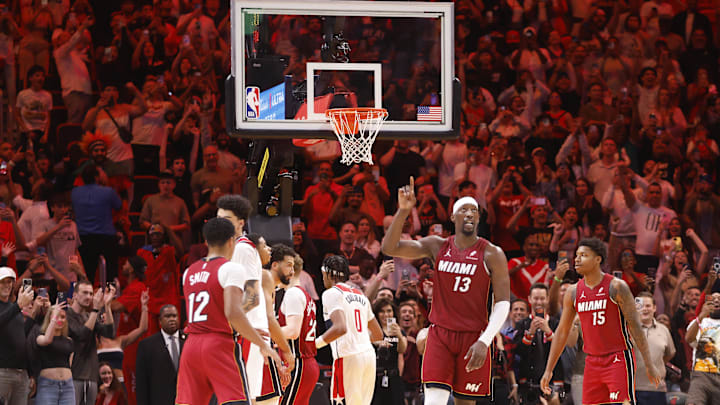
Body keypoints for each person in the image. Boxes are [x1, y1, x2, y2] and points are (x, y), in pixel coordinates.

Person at [381, 177, 511, 405]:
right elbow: (389, 247)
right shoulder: (437, 246)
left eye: (474, 210)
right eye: (464, 210)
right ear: (453, 216)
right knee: (433, 401)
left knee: (465, 402)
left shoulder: (492, 253)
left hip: (474, 337)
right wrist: (403, 211)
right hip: (440, 334)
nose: (469, 214)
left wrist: (485, 340)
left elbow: (503, 302)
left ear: (479, 217)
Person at [540, 238, 661, 404]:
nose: (577, 259)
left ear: (598, 259)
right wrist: (549, 370)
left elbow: (635, 327)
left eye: (584, 255)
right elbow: (561, 331)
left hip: (618, 358)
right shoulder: (573, 292)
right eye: (576, 255)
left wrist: (649, 364)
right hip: (591, 362)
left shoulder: (617, 287)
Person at [175, 218, 280, 405]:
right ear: (232, 240)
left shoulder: (189, 272)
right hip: (218, 344)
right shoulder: (231, 269)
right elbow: (233, 312)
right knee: (237, 401)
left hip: (191, 346)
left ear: (205, 241)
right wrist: (261, 343)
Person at [216, 194, 294, 402]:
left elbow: (250, 298)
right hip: (246, 332)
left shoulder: (243, 248)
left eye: (227, 218)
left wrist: (230, 325)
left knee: (243, 397)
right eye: (218, 218)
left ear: (240, 223)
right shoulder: (232, 250)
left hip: (247, 333)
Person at [317, 255, 383, 405]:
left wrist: (315, 344)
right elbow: (378, 334)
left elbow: (340, 328)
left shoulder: (331, 293)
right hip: (368, 355)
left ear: (327, 274)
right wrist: (358, 336)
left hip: (348, 356)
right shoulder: (360, 295)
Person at [278, 255, 320, 405]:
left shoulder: (293, 294)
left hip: (299, 363)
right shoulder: (304, 294)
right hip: (306, 363)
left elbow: (293, 331)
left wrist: (264, 331)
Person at [135, 305, 183, 405]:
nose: (172, 319)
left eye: (174, 316)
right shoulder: (147, 345)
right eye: (167, 316)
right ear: (160, 321)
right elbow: (141, 383)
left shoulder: (189, 341)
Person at [634, 292, 676, 405]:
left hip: (656, 390)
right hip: (631, 389)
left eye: (648, 306)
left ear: (654, 308)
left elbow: (670, 354)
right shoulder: (626, 329)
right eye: (640, 306)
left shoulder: (664, 330)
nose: (644, 309)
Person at [0, 266, 34, 405]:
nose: (7, 285)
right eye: (2, 282)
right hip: (3, 372)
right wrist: (18, 305)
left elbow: (21, 337)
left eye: (9, 282)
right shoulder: (15, 308)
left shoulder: (14, 308)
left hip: (21, 373)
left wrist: (36, 314)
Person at [34, 300, 75, 405]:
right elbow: (47, 340)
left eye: (63, 317)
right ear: (49, 318)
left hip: (68, 385)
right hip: (48, 385)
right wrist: (53, 318)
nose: (60, 320)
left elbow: (69, 363)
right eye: (57, 316)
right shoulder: (40, 336)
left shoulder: (69, 341)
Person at [371, 298, 407, 405]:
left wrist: (399, 335)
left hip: (394, 377)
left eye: (389, 311)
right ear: (377, 313)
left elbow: (402, 349)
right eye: (382, 311)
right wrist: (377, 343)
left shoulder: (398, 331)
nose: (386, 314)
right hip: (375, 378)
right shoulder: (372, 331)